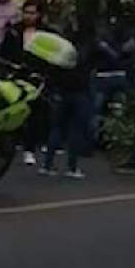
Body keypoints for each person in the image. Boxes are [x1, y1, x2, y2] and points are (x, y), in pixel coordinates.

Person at [40, 16, 96, 179]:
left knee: (56, 127)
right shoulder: (88, 48)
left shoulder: (62, 48)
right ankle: (72, 167)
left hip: (61, 90)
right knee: (76, 129)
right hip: (80, 91)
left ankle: (47, 164)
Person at [0, 0, 47, 165]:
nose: (28, 16)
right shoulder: (13, 31)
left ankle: (30, 148)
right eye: (26, 12)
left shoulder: (46, 34)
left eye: (32, 13)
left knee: (34, 114)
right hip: (14, 77)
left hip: (35, 79)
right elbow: (3, 54)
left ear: (39, 14)